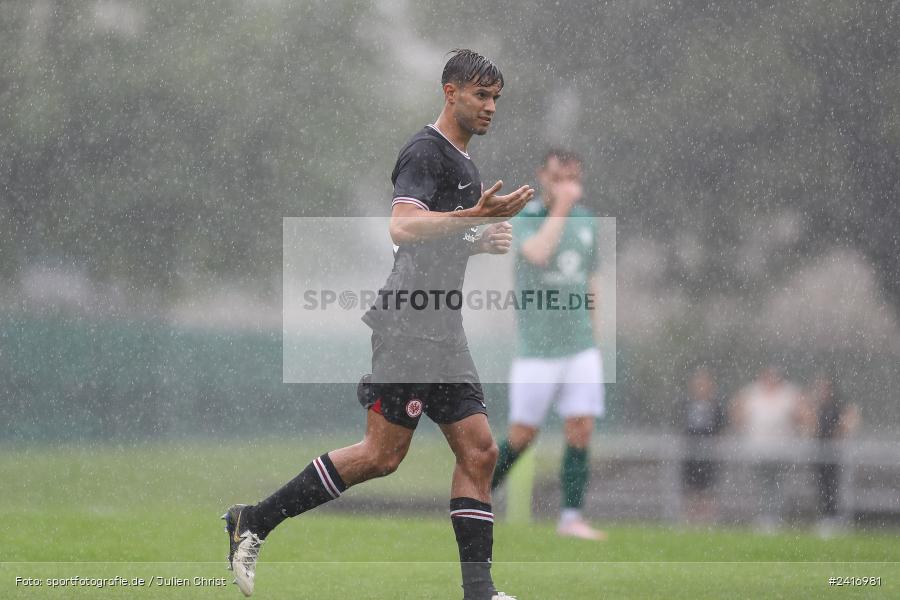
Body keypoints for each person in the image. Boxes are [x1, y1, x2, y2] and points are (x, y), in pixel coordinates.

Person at [221, 50, 533, 599]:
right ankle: (255, 520)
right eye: (481, 95)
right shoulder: (425, 151)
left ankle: (479, 593)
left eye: (496, 99)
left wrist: (476, 239)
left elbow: (435, 238)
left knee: (480, 452)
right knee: (381, 456)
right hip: (409, 322)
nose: (490, 107)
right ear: (451, 93)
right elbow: (403, 227)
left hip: (442, 328)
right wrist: (473, 218)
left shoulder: (465, 163)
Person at [489, 149, 607, 541]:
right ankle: (475, 498)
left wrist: (594, 337)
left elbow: (590, 280)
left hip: (580, 347)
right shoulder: (526, 218)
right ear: (543, 176)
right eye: (558, 178)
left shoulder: (587, 222)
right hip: (537, 350)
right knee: (522, 436)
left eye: (573, 178)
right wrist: (562, 208)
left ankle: (571, 518)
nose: (566, 186)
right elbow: (538, 253)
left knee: (581, 429)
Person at [729, 366, 805, 531]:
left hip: (782, 450)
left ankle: (775, 517)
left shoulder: (788, 394)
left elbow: (802, 415)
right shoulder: (752, 393)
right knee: (762, 484)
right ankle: (763, 516)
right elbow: (737, 412)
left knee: (777, 484)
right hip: (757, 450)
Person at [806, 372, 860, 536]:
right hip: (820, 454)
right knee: (822, 486)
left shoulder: (838, 407)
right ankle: (826, 517)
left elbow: (846, 425)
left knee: (834, 487)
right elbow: (811, 427)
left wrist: (838, 433)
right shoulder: (816, 408)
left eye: (825, 388)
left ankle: (836, 517)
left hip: (835, 455)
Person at [680, 366, 727, 523]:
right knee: (691, 488)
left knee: (708, 488)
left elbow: (720, 429)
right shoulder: (686, 405)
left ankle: (707, 520)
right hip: (690, 454)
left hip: (709, 454)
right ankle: (691, 518)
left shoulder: (716, 406)